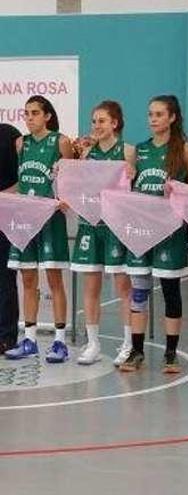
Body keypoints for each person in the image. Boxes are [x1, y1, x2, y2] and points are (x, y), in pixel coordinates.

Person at [119, 95, 188, 372]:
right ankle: (136, 352)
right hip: (142, 230)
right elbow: (127, 185)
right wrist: (127, 174)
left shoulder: (184, 150)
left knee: (170, 290)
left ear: (172, 118)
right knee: (139, 291)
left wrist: (178, 190)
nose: (153, 119)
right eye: (151, 114)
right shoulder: (139, 150)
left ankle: (171, 354)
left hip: (171, 231)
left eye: (159, 114)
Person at [4, 96, 74, 363]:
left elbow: (71, 179)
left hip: (50, 219)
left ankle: (59, 342)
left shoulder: (61, 142)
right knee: (28, 280)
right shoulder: (21, 144)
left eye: (34, 113)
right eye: (26, 113)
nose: (29, 117)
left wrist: (66, 198)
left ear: (47, 116)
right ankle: (30, 339)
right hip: (26, 218)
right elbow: (21, 184)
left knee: (55, 280)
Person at [70, 101, 134, 365]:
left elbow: (131, 187)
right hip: (89, 224)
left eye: (102, 121)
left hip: (115, 225)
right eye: (94, 121)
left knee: (122, 286)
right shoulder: (87, 153)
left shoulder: (127, 151)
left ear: (115, 123)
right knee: (91, 285)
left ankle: (129, 342)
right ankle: (93, 343)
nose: (96, 125)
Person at [0, 122, 21, 353]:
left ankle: (6, 336)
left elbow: (22, 180)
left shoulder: (9, 135)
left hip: (5, 219)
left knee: (4, 279)